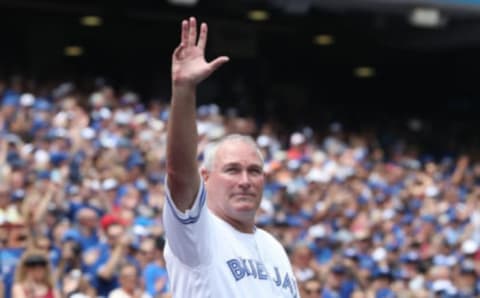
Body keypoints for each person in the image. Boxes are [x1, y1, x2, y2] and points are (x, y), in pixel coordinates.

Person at [162, 17, 299, 297]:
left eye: (254, 171)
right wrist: (184, 90)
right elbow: (179, 173)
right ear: (206, 178)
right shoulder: (199, 234)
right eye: (232, 170)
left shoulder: (273, 247)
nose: (245, 181)